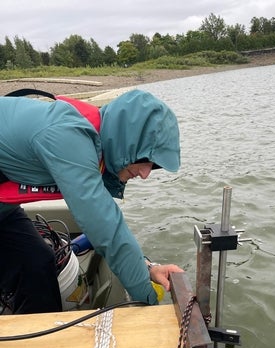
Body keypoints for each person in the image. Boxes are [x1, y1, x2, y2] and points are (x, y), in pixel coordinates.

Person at [0, 89, 183, 314]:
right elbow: (106, 229)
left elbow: (107, 227)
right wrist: (152, 306)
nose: (146, 173)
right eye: (146, 160)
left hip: (4, 212)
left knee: (37, 263)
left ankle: (37, 346)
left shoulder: (89, 143)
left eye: (154, 167)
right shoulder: (69, 137)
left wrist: (147, 268)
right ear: (125, 140)